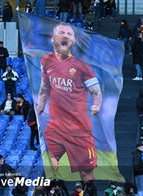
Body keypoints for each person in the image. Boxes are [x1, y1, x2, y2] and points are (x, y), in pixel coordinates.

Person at [37, 23, 102, 182]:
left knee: (86, 175)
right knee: (50, 167)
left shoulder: (82, 67)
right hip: (56, 126)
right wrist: (40, 106)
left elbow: (97, 92)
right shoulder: (46, 61)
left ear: (73, 41)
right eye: (61, 32)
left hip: (79, 129)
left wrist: (97, 105)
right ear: (53, 38)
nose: (65, 35)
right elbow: (44, 88)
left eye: (69, 34)